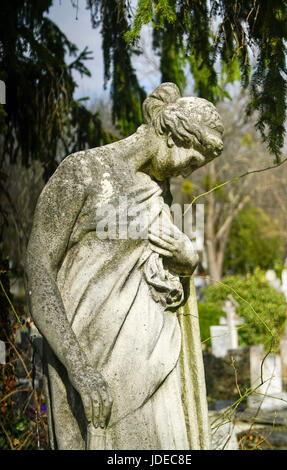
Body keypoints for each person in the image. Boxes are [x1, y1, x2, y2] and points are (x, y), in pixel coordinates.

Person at [25, 82, 224, 450]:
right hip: (93, 366)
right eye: (192, 161)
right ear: (171, 135)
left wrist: (186, 263)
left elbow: (158, 280)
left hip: (155, 365)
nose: (188, 174)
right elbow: (38, 274)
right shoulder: (83, 172)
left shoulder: (157, 192)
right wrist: (79, 368)